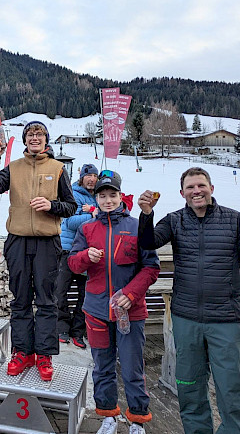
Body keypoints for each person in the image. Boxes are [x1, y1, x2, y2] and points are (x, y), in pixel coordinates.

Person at [138, 167, 240, 434]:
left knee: (231, 388)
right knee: (189, 387)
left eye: (201, 185)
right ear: (182, 193)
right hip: (186, 319)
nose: (196, 191)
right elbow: (148, 242)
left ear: (211, 188)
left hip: (226, 319)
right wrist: (146, 214)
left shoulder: (235, 220)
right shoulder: (174, 221)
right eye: (190, 187)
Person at [0, 121, 76, 381]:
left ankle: (44, 355)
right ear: (24, 139)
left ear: (46, 139)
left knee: (46, 300)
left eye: (40, 134)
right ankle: (22, 351)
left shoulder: (57, 169)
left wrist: (51, 205)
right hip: (18, 241)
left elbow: (71, 206)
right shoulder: (14, 167)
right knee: (20, 299)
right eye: (30, 134)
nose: (35, 138)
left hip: (47, 242)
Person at [68, 171, 159, 434]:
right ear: (96, 199)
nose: (108, 200)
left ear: (121, 197)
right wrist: (86, 256)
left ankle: (137, 420)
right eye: (102, 196)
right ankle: (108, 416)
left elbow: (151, 267)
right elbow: (73, 264)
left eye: (112, 195)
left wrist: (130, 294)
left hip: (131, 311)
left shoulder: (136, 226)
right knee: (102, 368)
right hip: (96, 311)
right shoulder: (87, 229)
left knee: (132, 368)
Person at [56, 163, 99, 349]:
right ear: (82, 178)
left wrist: (94, 211)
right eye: (88, 176)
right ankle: (61, 328)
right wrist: (93, 215)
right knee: (60, 291)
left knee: (85, 294)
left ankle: (78, 331)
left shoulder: (99, 196)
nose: (92, 179)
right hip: (68, 250)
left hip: (88, 253)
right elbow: (71, 222)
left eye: (94, 176)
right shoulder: (72, 194)